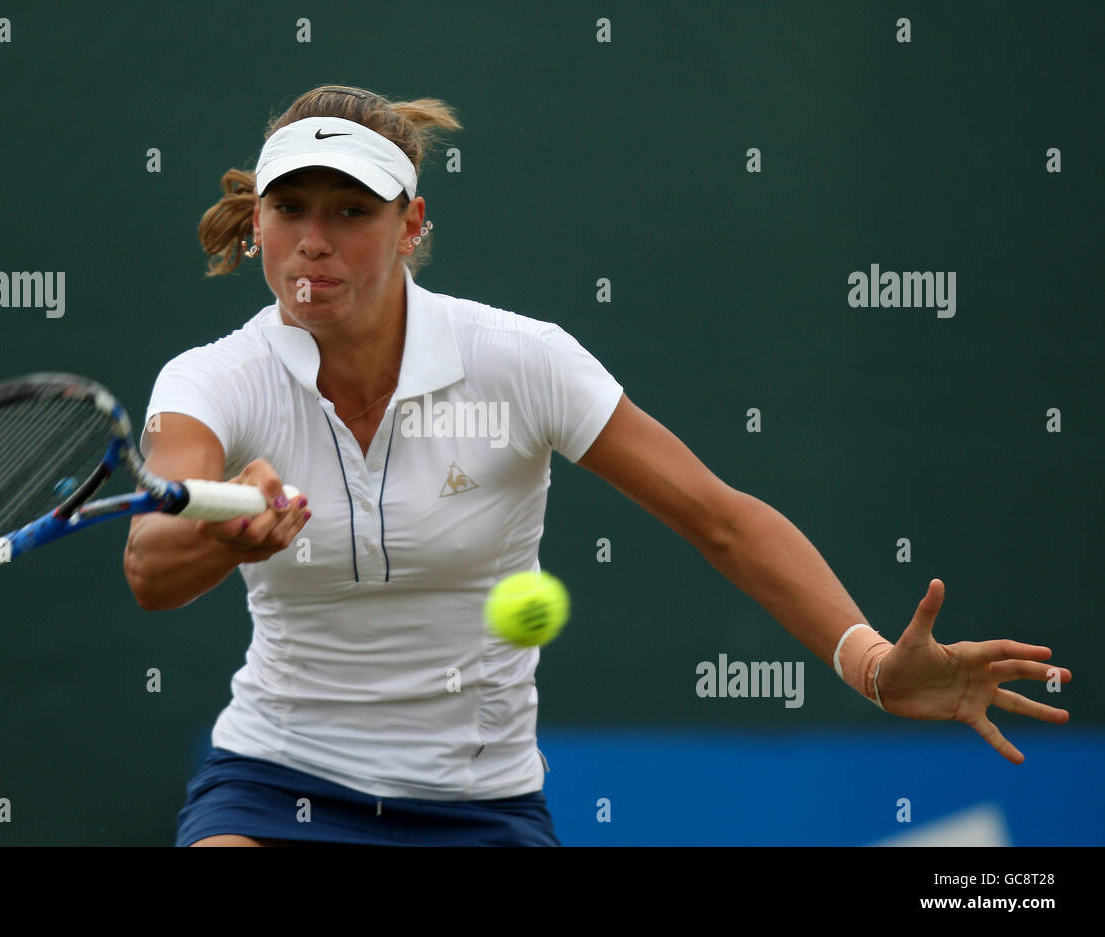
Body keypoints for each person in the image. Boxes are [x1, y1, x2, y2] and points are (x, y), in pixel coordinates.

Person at [123, 85, 1072, 847]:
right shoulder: (215, 379)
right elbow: (148, 567)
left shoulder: (522, 360)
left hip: (478, 805)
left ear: (411, 225)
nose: (314, 240)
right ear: (257, 224)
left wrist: (870, 663)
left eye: (351, 210)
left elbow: (721, 519)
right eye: (289, 209)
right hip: (275, 784)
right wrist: (228, 541)